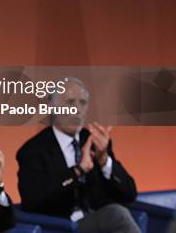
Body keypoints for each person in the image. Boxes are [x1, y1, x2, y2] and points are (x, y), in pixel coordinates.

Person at [16, 78, 140, 233]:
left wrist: (104, 161)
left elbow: (130, 194)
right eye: (70, 102)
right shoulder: (33, 151)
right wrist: (78, 170)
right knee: (117, 215)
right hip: (60, 227)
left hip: (98, 224)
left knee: (116, 214)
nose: (77, 109)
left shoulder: (94, 141)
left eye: (83, 103)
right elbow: (32, 201)